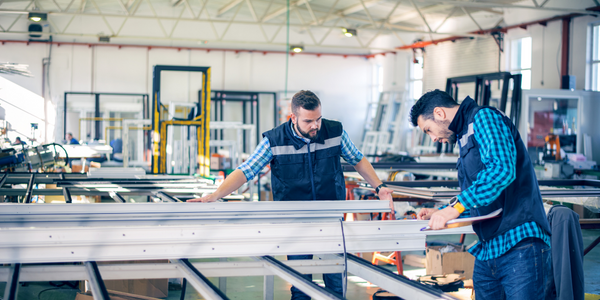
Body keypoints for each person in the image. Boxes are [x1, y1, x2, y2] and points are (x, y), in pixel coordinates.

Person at [189, 90, 394, 300]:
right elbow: (246, 171)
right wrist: (215, 195)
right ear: (293, 117)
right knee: (300, 285)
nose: (315, 126)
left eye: (318, 119)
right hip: (296, 223)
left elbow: (357, 159)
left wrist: (379, 187)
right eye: (308, 121)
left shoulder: (334, 132)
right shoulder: (275, 140)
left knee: (335, 283)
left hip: (331, 219)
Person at [412, 90, 552, 300]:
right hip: (489, 248)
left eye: (428, 130)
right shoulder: (464, 135)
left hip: (519, 243)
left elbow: (501, 170)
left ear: (439, 113)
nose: (433, 138)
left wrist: (454, 208)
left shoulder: (484, 118)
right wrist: (441, 212)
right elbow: (478, 192)